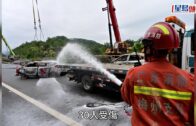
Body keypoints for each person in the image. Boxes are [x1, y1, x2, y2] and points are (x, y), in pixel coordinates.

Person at [121, 22, 194, 126]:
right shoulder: (190, 80)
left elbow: (127, 99)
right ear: (170, 49)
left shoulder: (133, 74)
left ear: (149, 48)